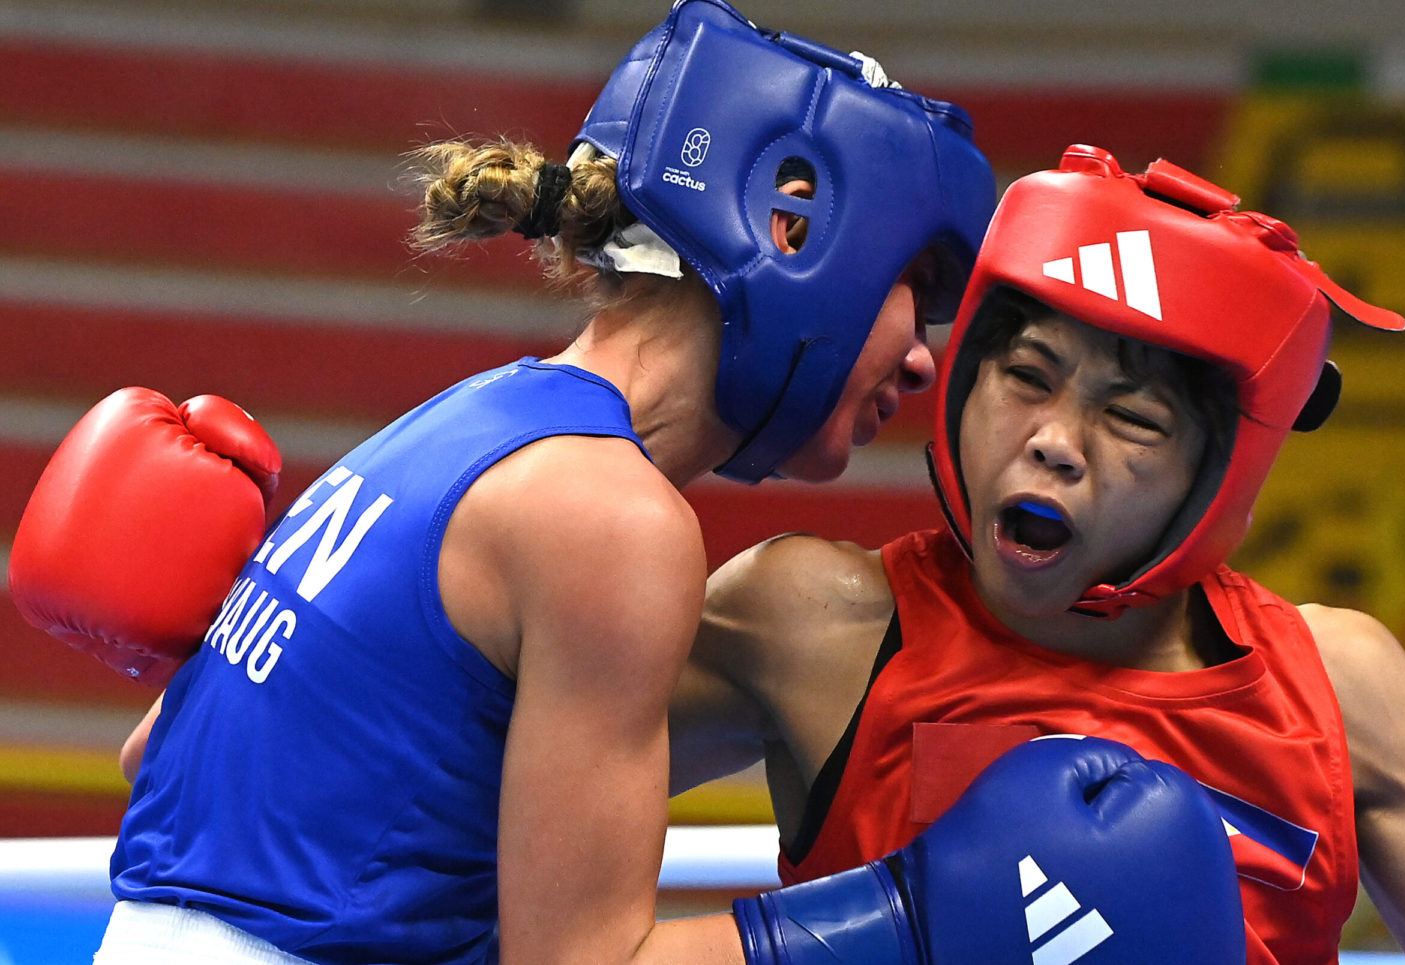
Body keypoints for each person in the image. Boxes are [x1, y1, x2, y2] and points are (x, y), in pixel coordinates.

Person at [7, 5, 1250, 965]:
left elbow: (156, 751)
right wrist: (919, 916)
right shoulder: (613, 518)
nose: (926, 356)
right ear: (795, 222)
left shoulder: (464, 424)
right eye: (911, 292)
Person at [671, 143, 1405, 965]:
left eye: (1132, 419)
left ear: (1218, 474)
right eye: (1027, 376)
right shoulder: (816, 622)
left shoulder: (1336, 688)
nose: (1054, 441)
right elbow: (547, 846)